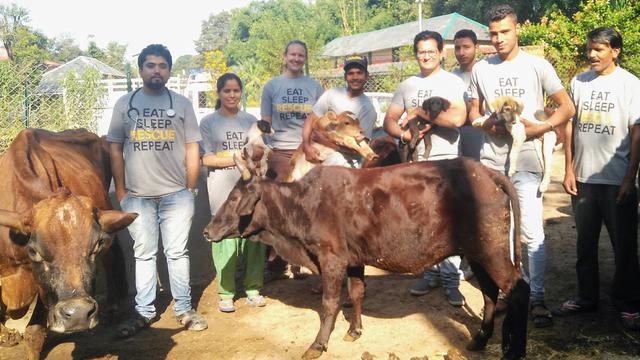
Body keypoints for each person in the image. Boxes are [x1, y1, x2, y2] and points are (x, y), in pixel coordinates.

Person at [468, 4, 575, 327]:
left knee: (530, 232)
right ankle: (510, 291)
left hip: (527, 163)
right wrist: (487, 125)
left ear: (517, 30)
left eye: (505, 32)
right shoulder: (481, 69)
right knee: (499, 233)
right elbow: (473, 113)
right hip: (491, 165)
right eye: (493, 34)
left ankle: (537, 298)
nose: (499, 39)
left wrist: (539, 129)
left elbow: (566, 107)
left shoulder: (537, 66)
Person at [108, 44, 207, 337]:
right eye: (150, 65)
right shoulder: (124, 104)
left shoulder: (183, 104)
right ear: (141, 70)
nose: (156, 71)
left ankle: (184, 309)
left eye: (162, 66)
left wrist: (190, 188)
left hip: (176, 195)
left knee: (177, 253)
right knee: (144, 254)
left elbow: (192, 148)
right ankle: (144, 312)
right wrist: (123, 193)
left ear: (169, 71)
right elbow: (115, 149)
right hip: (138, 197)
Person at [553, 27, 640, 331]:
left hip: (617, 179)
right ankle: (586, 296)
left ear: (615, 51)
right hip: (583, 178)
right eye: (590, 49)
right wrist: (567, 169)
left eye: (599, 49)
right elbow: (569, 126)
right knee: (584, 244)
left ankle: (628, 303)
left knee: (624, 245)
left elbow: (637, 133)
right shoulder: (579, 81)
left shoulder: (631, 85)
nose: (591, 54)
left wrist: (631, 177)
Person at [383, 30, 467, 307]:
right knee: (421, 221)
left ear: (442, 52)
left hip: (447, 163)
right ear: (416, 54)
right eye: (421, 51)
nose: (426, 55)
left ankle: (452, 281)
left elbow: (456, 119)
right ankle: (429, 274)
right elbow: (390, 120)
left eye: (431, 50)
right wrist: (405, 136)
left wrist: (420, 113)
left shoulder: (452, 82)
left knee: (449, 221)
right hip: (416, 164)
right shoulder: (407, 85)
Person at [200, 73, 267, 313]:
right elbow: (206, 158)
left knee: (254, 238)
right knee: (225, 239)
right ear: (219, 93)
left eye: (236, 91)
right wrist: (235, 158)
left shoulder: (250, 120)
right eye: (226, 91)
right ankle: (226, 292)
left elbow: (258, 152)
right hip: (222, 189)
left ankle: (253, 289)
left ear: (241, 93)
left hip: (249, 190)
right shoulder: (208, 122)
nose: (231, 95)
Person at [260, 40, 324, 280]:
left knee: (307, 208)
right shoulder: (272, 86)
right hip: (280, 152)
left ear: (305, 59)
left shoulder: (314, 86)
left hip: (306, 153)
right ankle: (275, 264)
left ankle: (305, 262)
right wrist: (264, 147)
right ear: (285, 56)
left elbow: (319, 122)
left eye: (301, 55)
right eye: (293, 54)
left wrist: (310, 148)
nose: (297, 59)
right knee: (277, 208)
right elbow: (265, 121)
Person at [302, 54, 377, 166]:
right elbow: (311, 119)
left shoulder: (367, 108)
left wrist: (324, 141)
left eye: (359, 73)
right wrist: (306, 146)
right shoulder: (332, 94)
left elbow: (360, 147)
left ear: (366, 76)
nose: (355, 77)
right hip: (317, 155)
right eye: (351, 73)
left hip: (345, 163)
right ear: (345, 77)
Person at [452, 29, 483, 161]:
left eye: (466, 47)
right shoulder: (451, 77)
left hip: (480, 134)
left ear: (476, 47)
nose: (461, 53)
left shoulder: (485, 73)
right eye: (457, 48)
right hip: (455, 135)